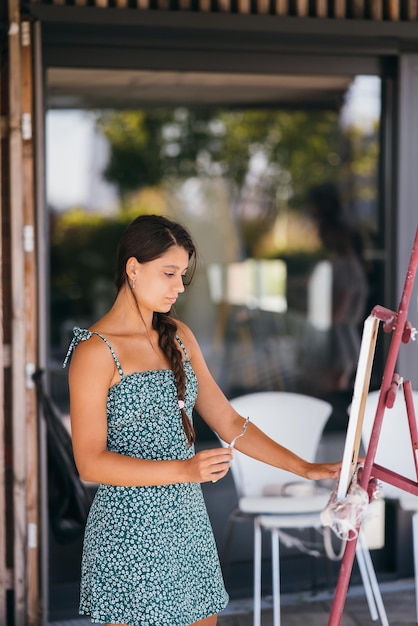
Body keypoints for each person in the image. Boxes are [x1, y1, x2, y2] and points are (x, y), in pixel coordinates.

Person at [64, 214, 341, 626]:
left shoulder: (178, 335)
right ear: (133, 269)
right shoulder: (94, 352)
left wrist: (304, 467)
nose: (179, 287)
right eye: (169, 273)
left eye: (182, 275)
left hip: (187, 521)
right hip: (128, 534)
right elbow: (89, 462)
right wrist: (185, 469)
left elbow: (229, 422)